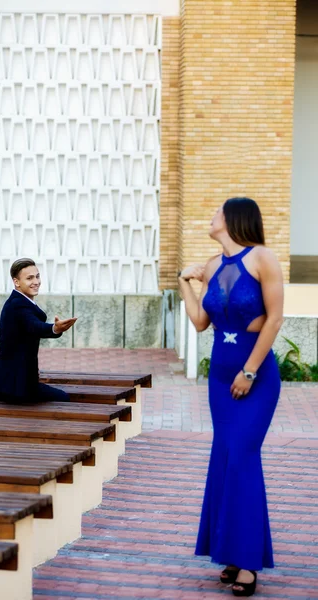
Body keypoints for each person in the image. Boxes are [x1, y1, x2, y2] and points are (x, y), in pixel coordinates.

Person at [178, 198, 283, 597]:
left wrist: (251, 370)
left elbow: (274, 318)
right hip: (220, 378)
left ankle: (248, 564)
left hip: (255, 377)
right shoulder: (210, 265)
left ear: (234, 218)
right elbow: (201, 322)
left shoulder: (263, 259)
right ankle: (232, 556)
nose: (211, 216)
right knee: (224, 460)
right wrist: (184, 282)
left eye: (217, 211)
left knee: (241, 457)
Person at [0, 258, 77, 403]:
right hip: (16, 386)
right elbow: (35, 326)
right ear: (16, 282)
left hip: (6, 382)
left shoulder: (18, 302)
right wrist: (54, 328)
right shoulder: (18, 305)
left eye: (37, 276)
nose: (36, 281)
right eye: (29, 278)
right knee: (63, 398)